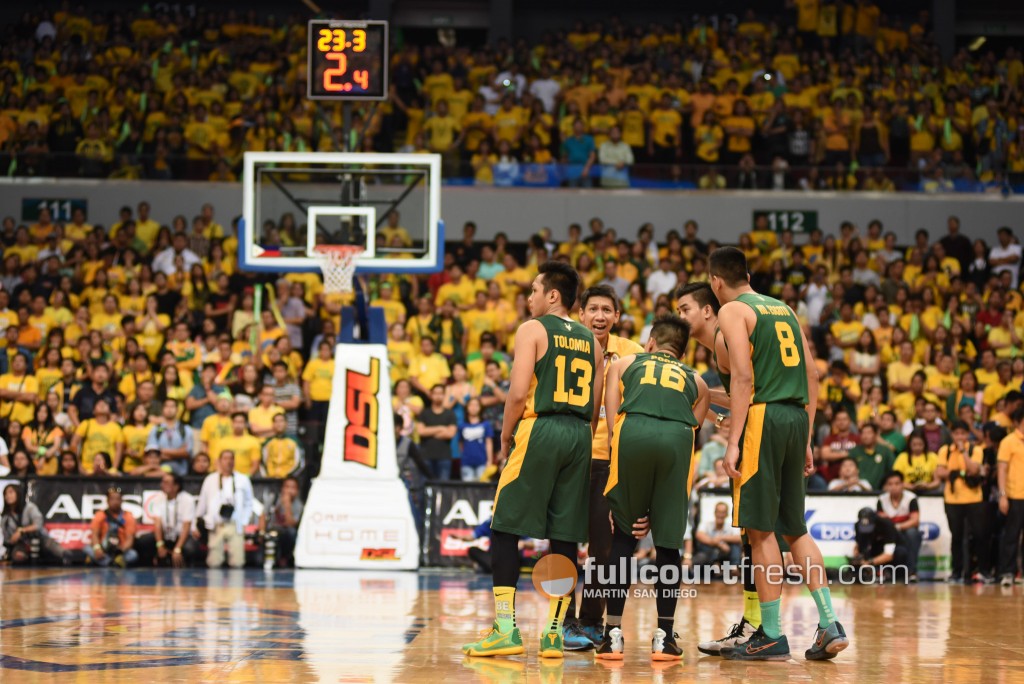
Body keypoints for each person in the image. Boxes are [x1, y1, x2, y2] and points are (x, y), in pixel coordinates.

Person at [709, 246, 847, 661]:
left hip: (764, 417)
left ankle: (770, 632)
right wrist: (806, 436)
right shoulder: (783, 308)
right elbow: (813, 373)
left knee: (760, 529)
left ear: (716, 281)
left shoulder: (732, 311)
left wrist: (732, 440)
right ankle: (829, 622)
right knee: (795, 528)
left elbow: (744, 377)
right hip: (795, 418)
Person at [463, 261, 603, 659]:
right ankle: (554, 634)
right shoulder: (592, 342)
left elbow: (518, 391)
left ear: (552, 295)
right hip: (579, 433)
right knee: (564, 536)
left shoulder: (532, 329)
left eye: (534, 290)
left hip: (540, 428)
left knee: (504, 525)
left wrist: (506, 435)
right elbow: (594, 405)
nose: (529, 298)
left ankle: (505, 628)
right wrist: (580, 438)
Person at [596, 315, 708, 661]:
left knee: (624, 536)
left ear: (650, 343)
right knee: (668, 543)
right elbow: (695, 427)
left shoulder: (626, 362)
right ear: (681, 350)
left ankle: (612, 633)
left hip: (633, 435)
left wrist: (634, 500)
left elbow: (613, 421)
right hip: (677, 439)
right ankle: (665, 636)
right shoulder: (698, 380)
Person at [675, 281, 764, 655]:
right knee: (754, 535)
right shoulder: (718, 348)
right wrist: (703, 394)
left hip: (761, 434)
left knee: (760, 534)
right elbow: (741, 393)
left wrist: (732, 434)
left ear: (708, 310)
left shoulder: (728, 340)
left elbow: (750, 388)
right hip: (768, 426)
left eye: (685, 309)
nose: (681, 318)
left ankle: (761, 624)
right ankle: (755, 621)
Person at [563, 284, 644, 650]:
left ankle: (593, 621)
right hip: (567, 454)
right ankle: (561, 620)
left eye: (606, 310)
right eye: (592, 309)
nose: (599, 316)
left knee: (602, 548)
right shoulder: (565, 344)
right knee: (562, 541)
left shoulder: (632, 353)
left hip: (606, 459)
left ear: (617, 316)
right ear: (580, 314)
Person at [936, 421, 991, 584]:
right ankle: (956, 572)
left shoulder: (976, 449)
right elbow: (940, 472)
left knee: (980, 535)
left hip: (974, 498)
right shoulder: (944, 450)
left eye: (963, 433)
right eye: (956, 433)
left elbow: (974, 470)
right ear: (951, 434)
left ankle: (983, 570)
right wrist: (961, 472)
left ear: (968, 435)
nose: (959, 437)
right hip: (952, 499)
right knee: (957, 536)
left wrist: (963, 452)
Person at [195, 450, 254, 568]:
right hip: (216, 523)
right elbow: (202, 502)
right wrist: (195, 524)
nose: (228, 461)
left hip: (234, 523)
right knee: (214, 562)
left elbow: (249, 502)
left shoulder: (243, 479)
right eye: (225, 458)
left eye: (231, 458)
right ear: (219, 461)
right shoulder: (210, 479)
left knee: (237, 562)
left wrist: (244, 521)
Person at [136, 472, 201, 567]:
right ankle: (153, 562)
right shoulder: (158, 498)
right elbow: (157, 524)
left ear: (176, 486)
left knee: (191, 548)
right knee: (142, 541)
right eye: (162, 482)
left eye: (166, 482)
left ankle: (184, 564)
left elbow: (186, 526)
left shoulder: (187, 499)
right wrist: (160, 544)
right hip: (165, 535)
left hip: (181, 536)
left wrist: (178, 549)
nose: (162, 485)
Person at [875, 471, 922, 582]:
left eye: (897, 483)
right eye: (890, 484)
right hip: (889, 535)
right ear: (886, 486)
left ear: (902, 484)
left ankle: (912, 572)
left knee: (913, 533)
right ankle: (882, 571)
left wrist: (897, 526)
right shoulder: (882, 500)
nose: (894, 487)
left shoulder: (911, 498)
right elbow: (881, 521)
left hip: (904, 532)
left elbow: (915, 521)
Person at [1, 483, 65, 565]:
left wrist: (22, 530)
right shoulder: (6, 516)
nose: (8, 496)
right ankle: (29, 558)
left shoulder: (29, 508)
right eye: (5, 494)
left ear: (18, 493)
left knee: (60, 553)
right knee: (18, 556)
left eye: (11, 492)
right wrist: (11, 542)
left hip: (41, 539)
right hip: (21, 544)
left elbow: (38, 525)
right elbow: (7, 538)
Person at [997, 407, 1024, 587]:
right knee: (1011, 535)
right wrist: (1003, 495)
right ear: (1017, 422)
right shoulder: (1009, 441)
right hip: (1015, 495)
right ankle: (1007, 571)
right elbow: (1002, 469)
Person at [849, 507, 910, 582]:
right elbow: (858, 546)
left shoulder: (887, 525)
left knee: (900, 552)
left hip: (893, 553)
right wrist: (859, 559)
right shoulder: (858, 526)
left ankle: (897, 576)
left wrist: (869, 562)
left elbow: (889, 555)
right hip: (876, 551)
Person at [84, 487, 139, 567]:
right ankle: (111, 563)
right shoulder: (100, 514)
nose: (115, 502)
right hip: (103, 548)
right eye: (112, 499)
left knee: (133, 555)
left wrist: (120, 551)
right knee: (86, 548)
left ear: (121, 501)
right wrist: (97, 548)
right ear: (107, 501)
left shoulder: (128, 516)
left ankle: (104, 562)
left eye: (117, 499)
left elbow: (130, 540)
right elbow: (94, 535)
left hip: (119, 550)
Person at [259, 476, 304, 568]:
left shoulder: (298, 505)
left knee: (292, 533)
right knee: (258, 559)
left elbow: (291, 524)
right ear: (282, 488)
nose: (289, 491)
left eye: (293, 488)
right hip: (271, 530)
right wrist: (261, 532)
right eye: (287, 487)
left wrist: (287, 505)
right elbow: (263, 515)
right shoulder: (274, 498)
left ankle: (284, 558)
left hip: (285, 532)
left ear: (297, 491)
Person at [415, 385, 457, 481]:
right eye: (436, 393)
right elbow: (421, 431)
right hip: (426, 456)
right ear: (431, 395)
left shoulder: (450, 414)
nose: (438, 396)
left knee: (443, 487)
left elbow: (450, 433)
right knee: (426, 486)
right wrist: (441, 428)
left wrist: (429, 431)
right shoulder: (424, 413)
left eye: (441, 393)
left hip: (444, 456)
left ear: (444, 395)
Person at [145, 398, 195, 476]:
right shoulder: (157, 429)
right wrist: (178, 453)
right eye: (167, 407)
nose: (169, 409)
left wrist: (162, 450)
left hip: (181, 473)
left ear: (177, 410)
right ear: (162, 409)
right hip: (159, 472)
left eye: (172, 407)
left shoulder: (185, 429)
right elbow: (153, 453)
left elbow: (187, 452)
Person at [693, 502, 743, 569]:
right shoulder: (706, 524)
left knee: (735, 546)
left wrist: (721, 538)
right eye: (718, 512)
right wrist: (719, 544)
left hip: (725, 554)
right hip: (709, 553)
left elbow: (739, 538)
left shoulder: (731, 526)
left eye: (723, 512)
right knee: (704, 546)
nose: (720, 515)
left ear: (727, 514)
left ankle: (733, 568)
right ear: (715, 512)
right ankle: (716, 564)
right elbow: (699, 535)